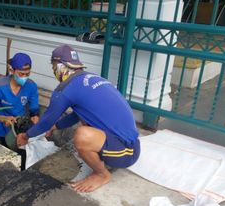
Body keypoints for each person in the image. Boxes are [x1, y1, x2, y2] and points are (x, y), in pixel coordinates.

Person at [16, 44, 140, 192]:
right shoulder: (91, 78)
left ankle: (102, 174)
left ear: (59, 67)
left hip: (125, 154)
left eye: (54, 67)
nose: (54, 71)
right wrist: (55, 127)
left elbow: (46, 121)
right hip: (132, 145)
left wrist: (25, 136)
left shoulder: (66, 89)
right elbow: (78, 114)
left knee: (82, 135)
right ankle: (100, 154)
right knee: (85, 121)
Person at [0, 52, 40, 170]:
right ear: (12, 70)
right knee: (1, 164)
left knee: (21, 162)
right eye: (21, 74)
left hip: (19, 131)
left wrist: (35, 119)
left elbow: (34, 111)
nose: (24, 77)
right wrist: (3, 119)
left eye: (27, 74)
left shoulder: (31, 86)